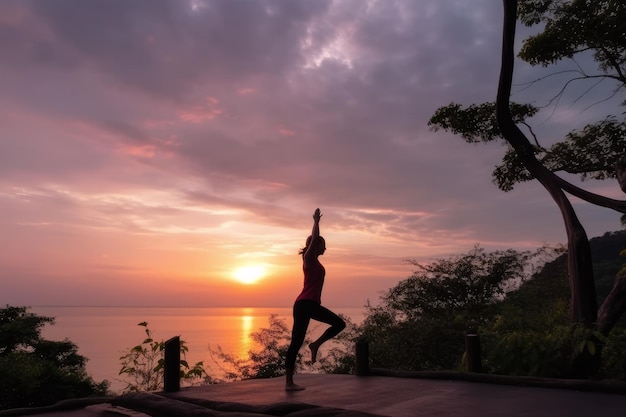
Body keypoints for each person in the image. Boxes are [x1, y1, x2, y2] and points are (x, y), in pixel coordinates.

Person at [285, 208, 346, 391]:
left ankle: (315, 344)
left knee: (339, 324)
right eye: (323, 245)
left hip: (309, 304)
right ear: (315, 246)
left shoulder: (317, 263)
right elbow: (313, 240)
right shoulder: (308, 258)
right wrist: (316, 223)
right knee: (296, 342)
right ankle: (289, 383)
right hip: (305, 304)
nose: (325, 248)